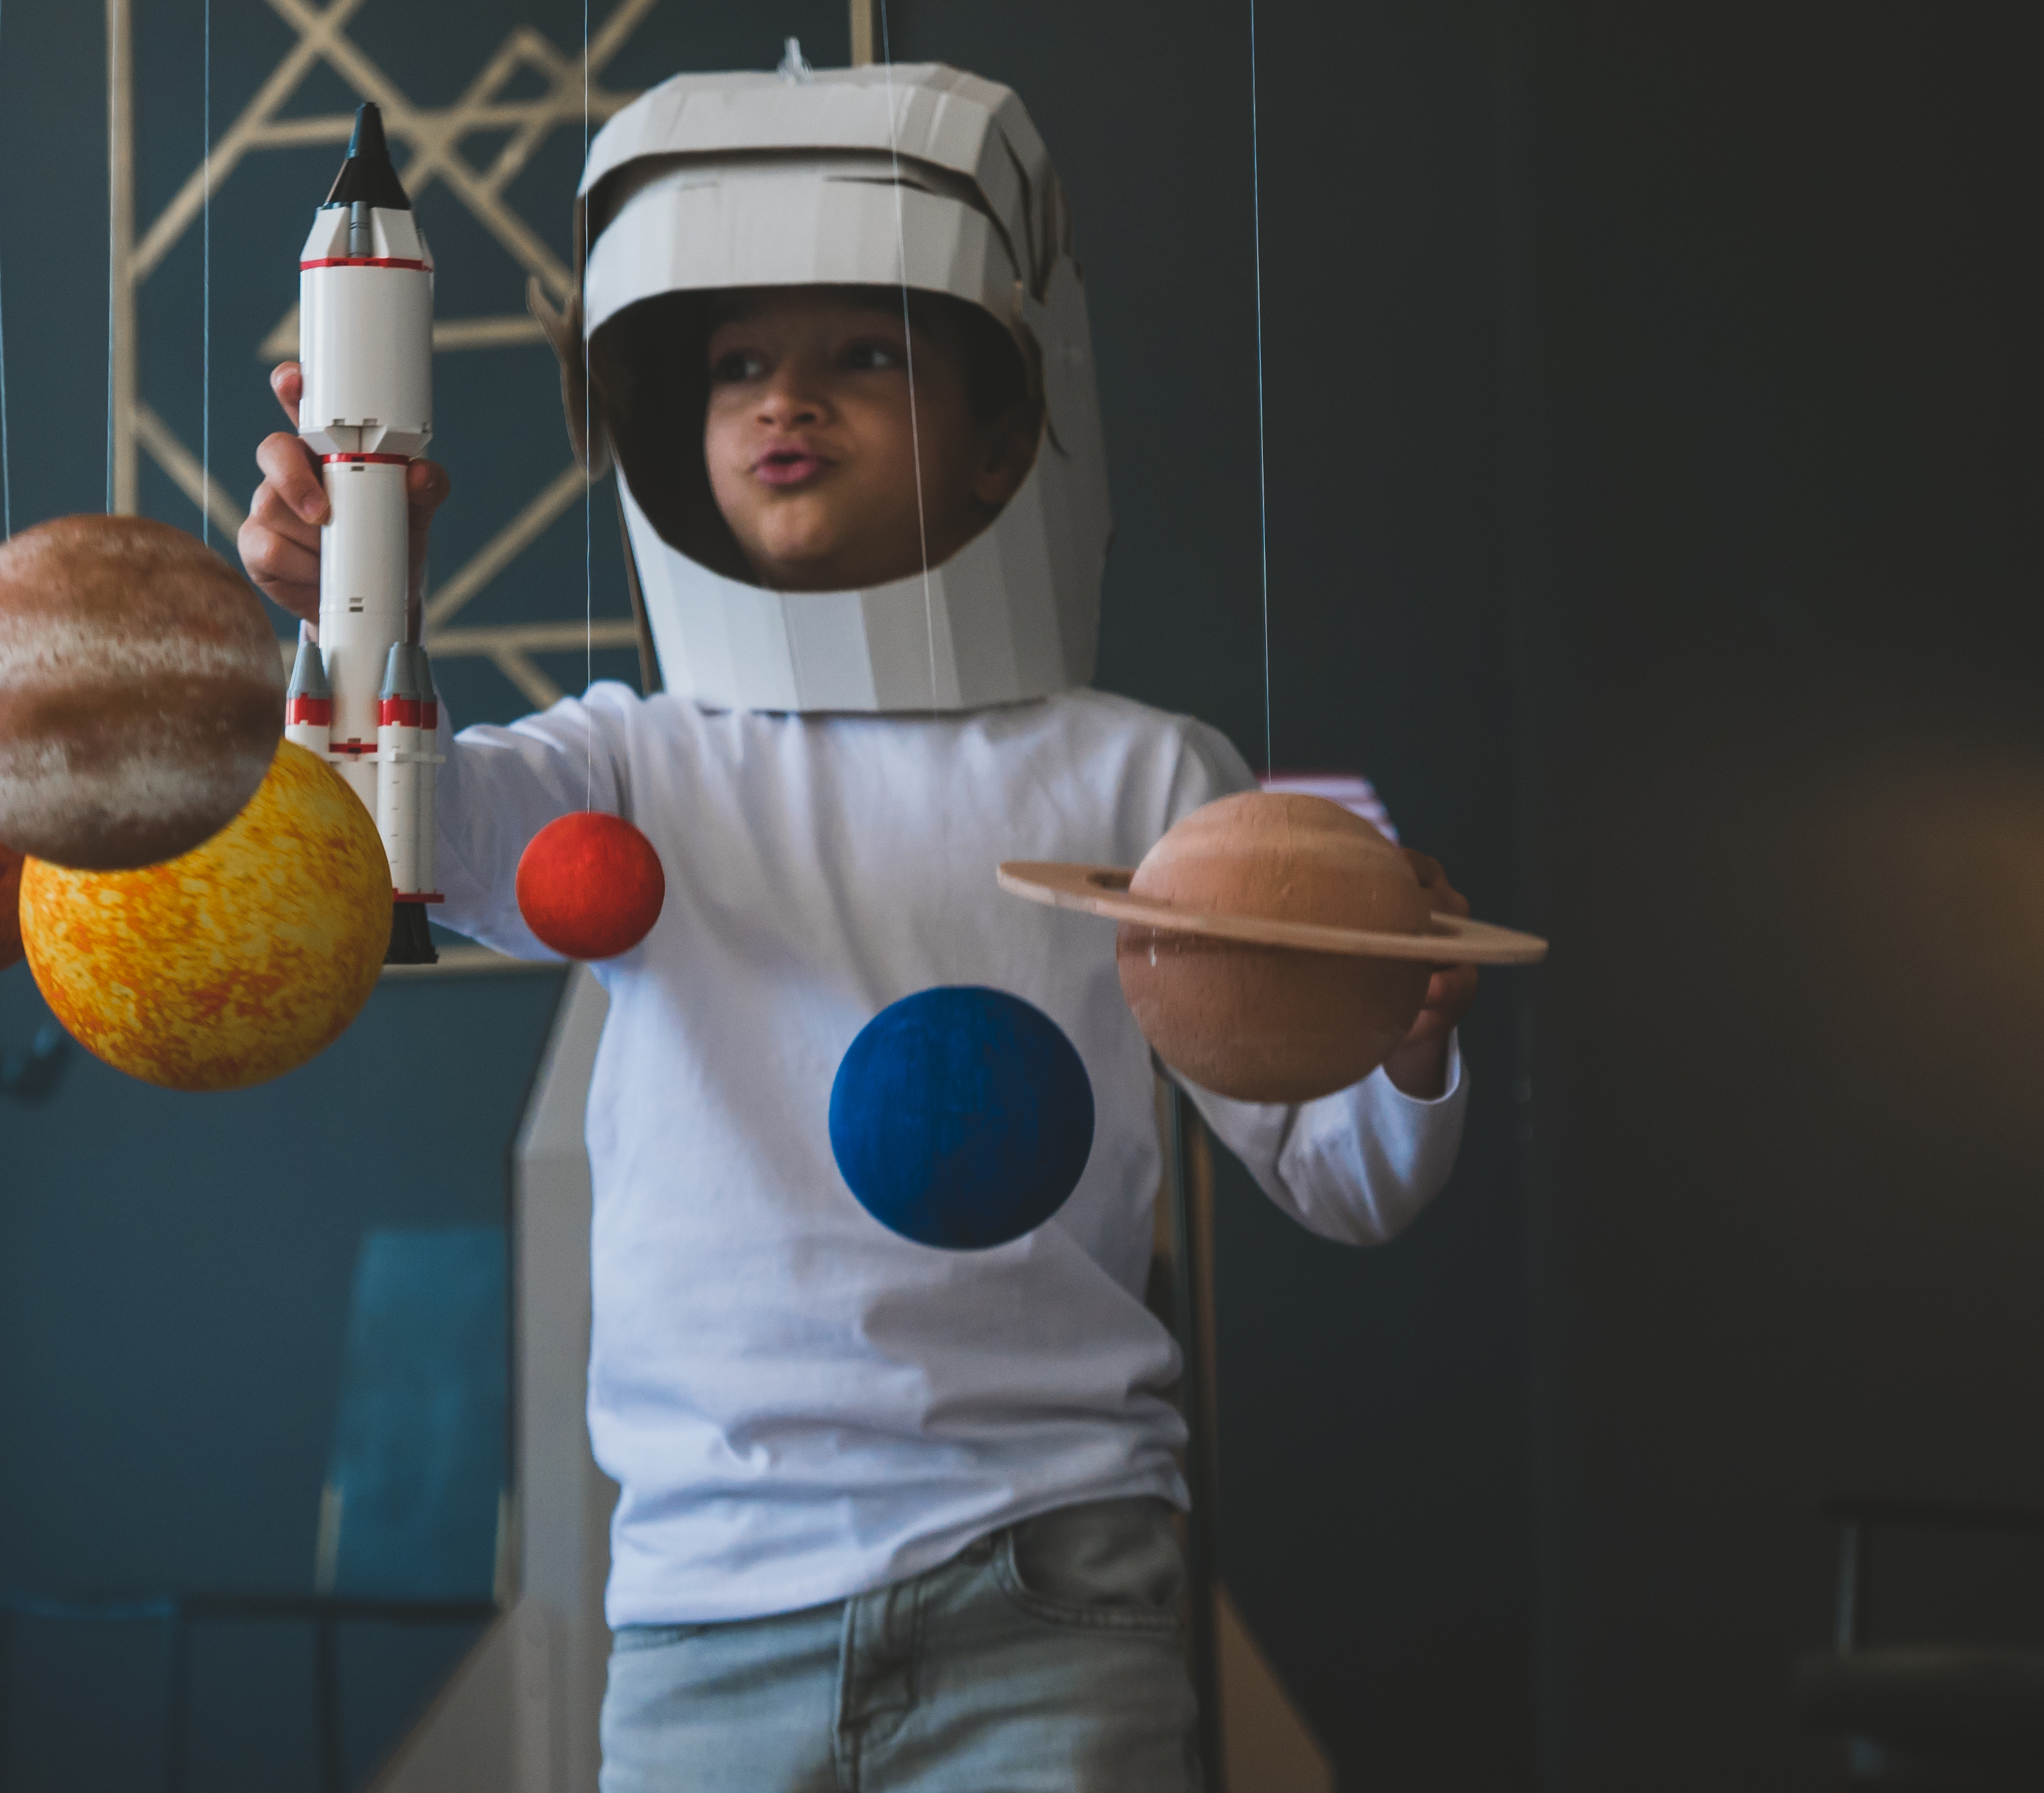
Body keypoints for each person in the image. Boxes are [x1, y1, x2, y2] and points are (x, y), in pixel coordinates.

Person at [244, 61, 1478, 1793]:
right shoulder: (627, 760)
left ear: (998, 443)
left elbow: (1343, 1178)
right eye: (737, 362)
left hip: (1052, 1584)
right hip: (702, 1609)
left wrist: (1403, 1042)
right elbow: (402, 853)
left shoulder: (1141, 777)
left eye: (864, 353)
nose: (784, 402)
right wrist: (347, 598)